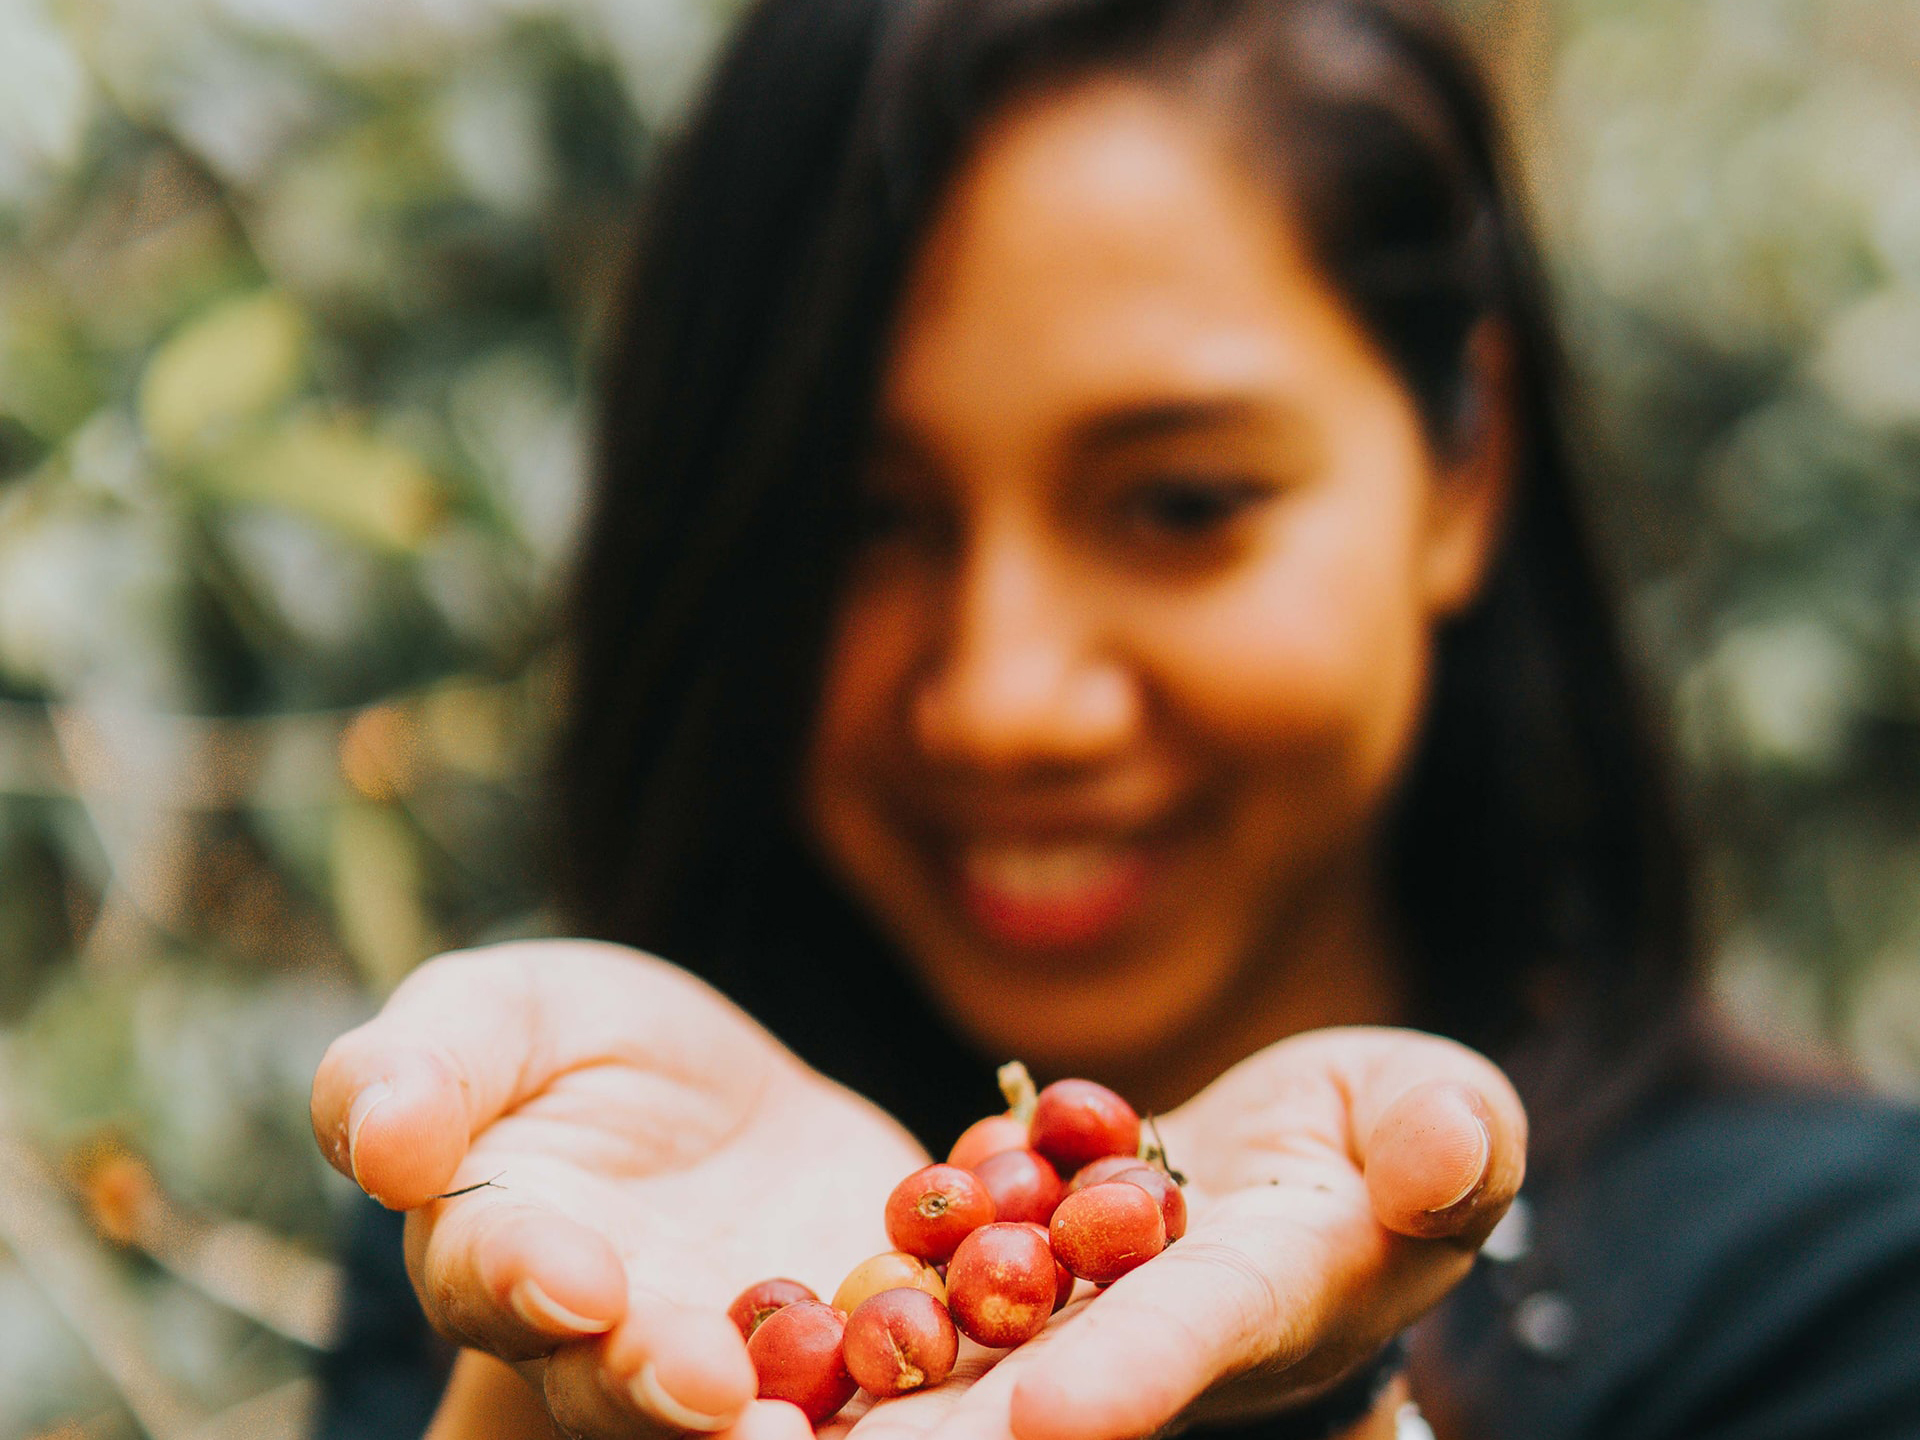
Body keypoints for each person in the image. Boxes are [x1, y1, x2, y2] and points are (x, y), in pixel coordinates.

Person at [311, 0, 1920, 1437]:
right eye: (867, 520)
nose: (1011, 701)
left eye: (1180, 502)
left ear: (1461, 469)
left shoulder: (1845, 1300)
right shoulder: (574, 1240)